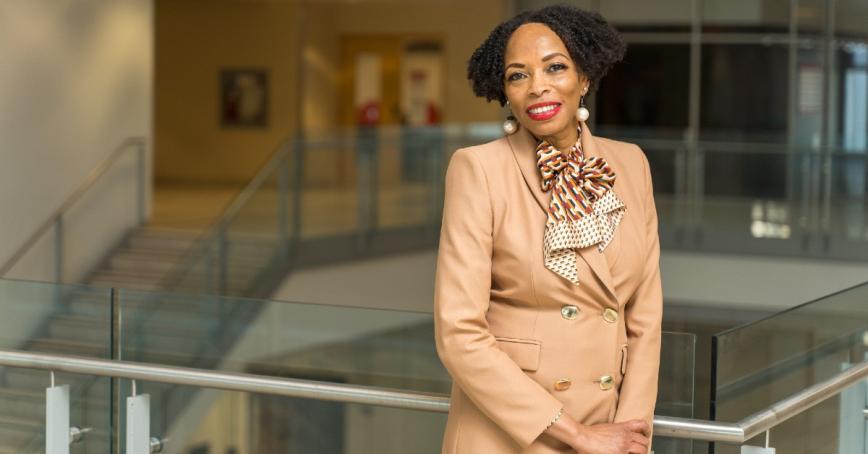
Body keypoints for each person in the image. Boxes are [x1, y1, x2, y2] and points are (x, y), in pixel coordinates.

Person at [433, 5, 663, 454]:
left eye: (555, 67)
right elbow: (458, 334)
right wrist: (577, 435)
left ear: (584, 79)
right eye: (518, 75)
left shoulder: (631, 163)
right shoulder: (477, 169)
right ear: (504, 91)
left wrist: (631, 436)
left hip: (610, 433)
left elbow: (645, 316)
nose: (537, 86)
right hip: (511, 434)